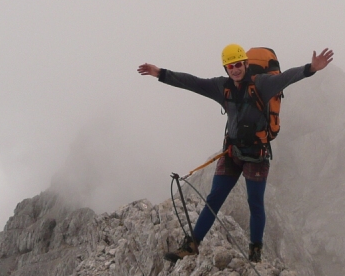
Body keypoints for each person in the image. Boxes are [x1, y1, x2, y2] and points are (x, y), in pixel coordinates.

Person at [137, 44, 334, 262]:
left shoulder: (262, 84)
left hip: (257, 155)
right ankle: (192, 245)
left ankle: (255, 251)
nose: (235, 70)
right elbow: (193, 83)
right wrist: (160, 73)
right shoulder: (223, 87)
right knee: (214, 198)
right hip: (232, 152)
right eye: (230, 66)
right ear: (226, 69)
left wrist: (311, 68)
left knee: (255, 202)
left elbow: (286, 78)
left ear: (246, 64)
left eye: (238, 64)